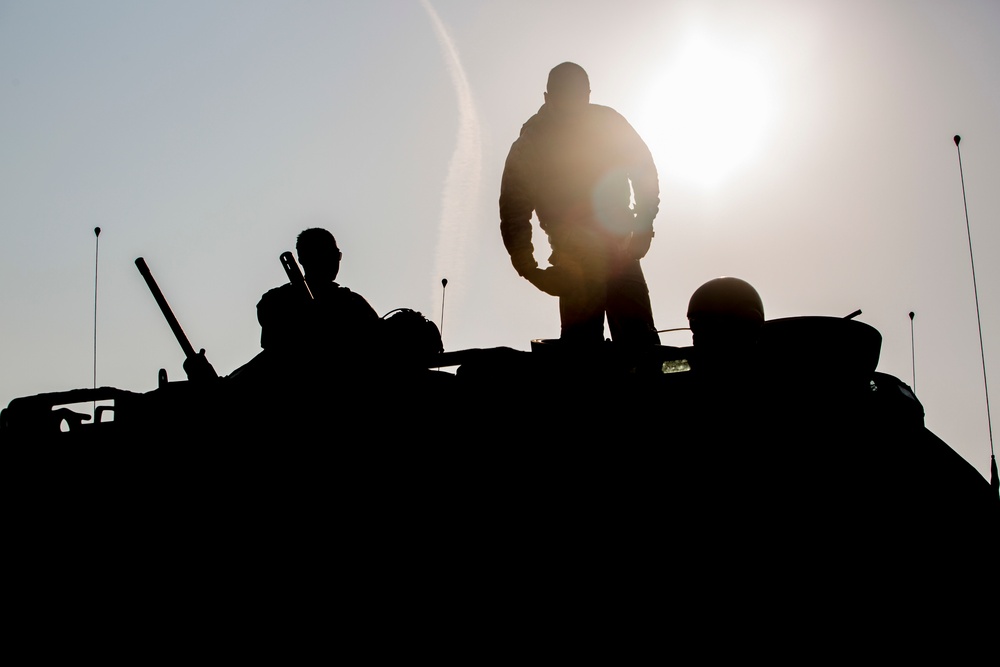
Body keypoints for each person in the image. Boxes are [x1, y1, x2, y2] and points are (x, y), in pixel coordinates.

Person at [499, 62, 660, 345]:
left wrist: (644, 224)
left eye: (578, 97)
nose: (573, 108)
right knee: (582, 356)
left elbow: (642, 168)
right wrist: (529, 268)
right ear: (548, 98)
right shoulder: (530, 145)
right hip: (575, 263)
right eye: (565, 98)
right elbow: (514, 209)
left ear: (587, 95)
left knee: (640, 348)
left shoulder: (608, 123)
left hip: (620, 252)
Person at [256, 228, 380, 370]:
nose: (335, 261)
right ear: (303, 259)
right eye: (327, 254)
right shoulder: (276, 301)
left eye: (336, 255)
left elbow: (378, 340)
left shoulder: (352, 302)